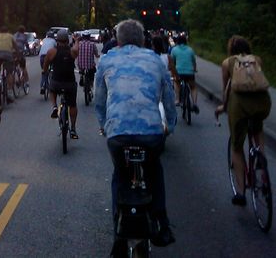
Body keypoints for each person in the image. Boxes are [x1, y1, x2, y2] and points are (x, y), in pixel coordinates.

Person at [95, 18, 177, 249]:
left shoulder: (106, 60)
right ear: (142, 40)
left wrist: (104, 125)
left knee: (119, 176)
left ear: (118, 40)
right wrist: (170, 124)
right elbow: (169, 97)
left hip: (118, 133)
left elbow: (99, 101)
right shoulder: (155, 59)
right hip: (151, 132)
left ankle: (118, 238)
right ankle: (161, 221)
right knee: (154, 170)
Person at [215, 35, 271, 206]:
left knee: (237, 147)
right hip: (262, 102)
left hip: (239, 105)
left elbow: (226, 89)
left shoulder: (227, 63)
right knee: (257, 128)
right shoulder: (257, 59)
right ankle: (261, 160)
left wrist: (223, 107)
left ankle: (240, 192)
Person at [42, 28, 80, 139]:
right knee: (72, 105)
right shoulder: (72, 52)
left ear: (57, 39)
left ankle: (54, 106)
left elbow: (45, 65)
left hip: (57, 82)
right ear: (67, 40)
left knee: (52, 90)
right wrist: (76, 40)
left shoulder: (52, 52)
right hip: (70, 83)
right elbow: (77, 50)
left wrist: (44, 71)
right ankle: (73, 128)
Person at [170, 32, 199, 113]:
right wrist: (194, 69)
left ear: (177, 41)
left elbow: (172, 63)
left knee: (176, 82)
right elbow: (194, 62)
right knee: (193, 87)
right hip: (190, 73)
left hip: (179, 72)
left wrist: (172, 72)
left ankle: (177, 99)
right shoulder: (190, 50)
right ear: (186, 41)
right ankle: (194, 103)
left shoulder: (174, 50)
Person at [0, 26, 20, 103]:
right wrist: (18, 55)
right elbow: (16, 47)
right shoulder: (10, 36)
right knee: (9, 73)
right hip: (8, 55)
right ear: (8, 31)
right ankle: (10, 92)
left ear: (0, 31)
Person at [39, 30, 56, 94]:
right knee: (51, 70)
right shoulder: (53, 41)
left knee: (44, 71)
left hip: (42, 57)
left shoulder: (43, 40)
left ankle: (43, 86)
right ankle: (51, 84)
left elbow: (40, 48)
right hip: (49, 56)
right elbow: (56, 49)